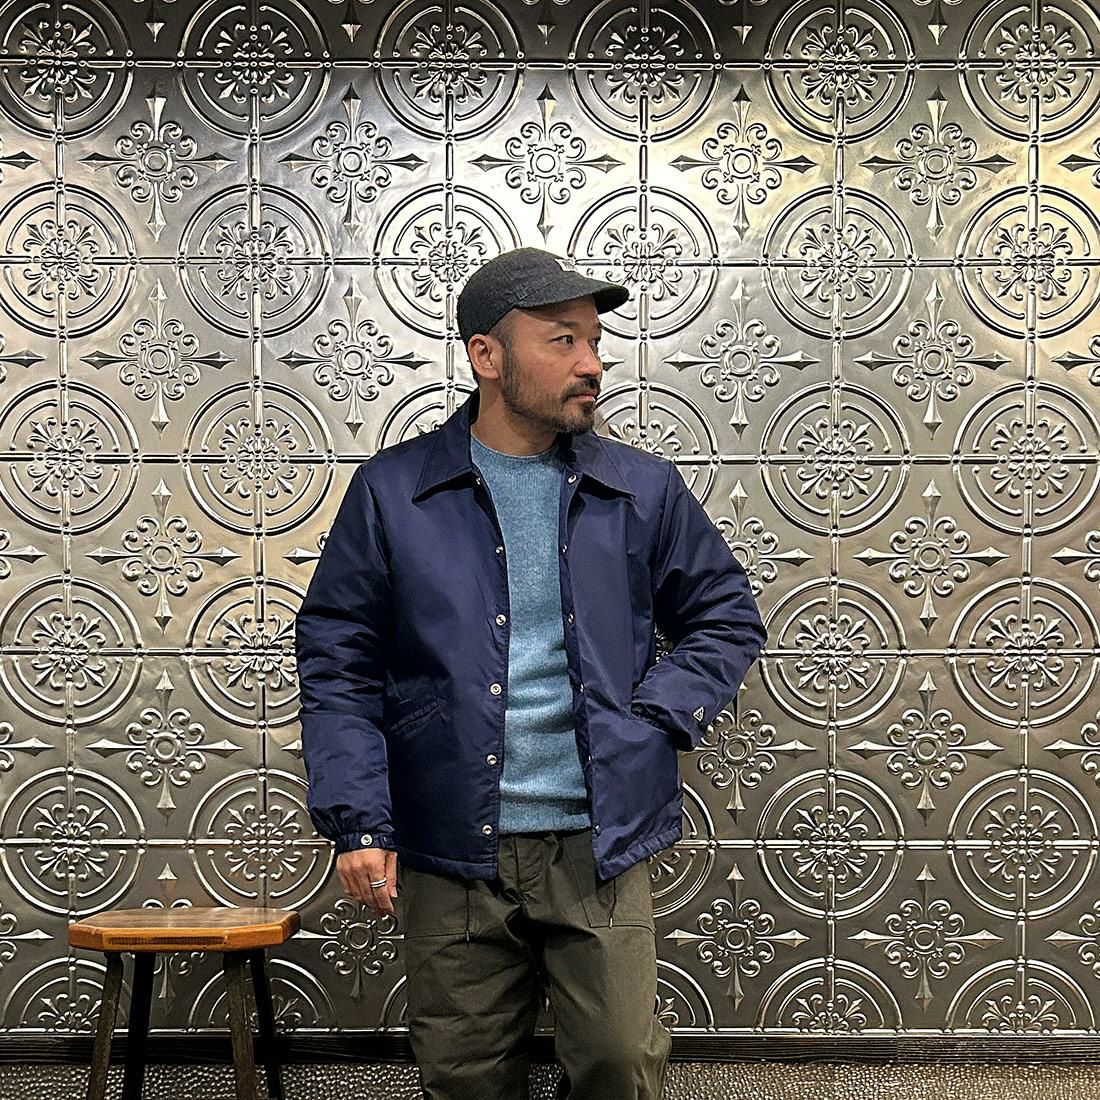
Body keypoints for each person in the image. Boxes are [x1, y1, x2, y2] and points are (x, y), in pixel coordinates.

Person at [295, 246, 767, 1099]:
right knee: (465, 1076)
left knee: (620, 1064)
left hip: (598, 839)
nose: (591, 364)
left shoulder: (642, 489)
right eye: (562, 340)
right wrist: (359, 821)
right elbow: (339, 660)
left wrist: (651, 718)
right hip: (448, 842)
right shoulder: (394, 492)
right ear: (487, 355)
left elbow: (726, 616)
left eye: (594, 342)